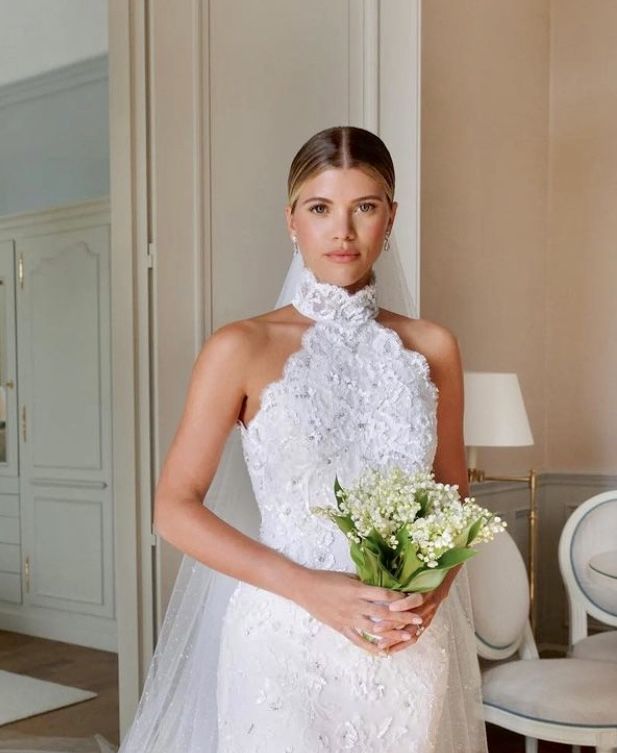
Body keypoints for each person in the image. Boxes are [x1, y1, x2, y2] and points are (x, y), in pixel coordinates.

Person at [117, 126, 488, 753]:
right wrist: (308, 588)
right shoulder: (239, 347)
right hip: (282, 641)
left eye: (363, 207)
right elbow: (173, 507)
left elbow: (451, 488)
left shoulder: (433, 348)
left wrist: (431, 596)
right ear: (292, 221)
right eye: (320, 209)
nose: (342, 231)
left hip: (401, 642)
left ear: (389, 217)